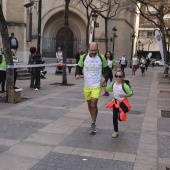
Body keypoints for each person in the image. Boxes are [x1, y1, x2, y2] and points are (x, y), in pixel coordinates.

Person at [75, 42, 110, 134]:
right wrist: (77, 73)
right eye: (92, 50)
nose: (94, 52)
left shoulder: (101, 58)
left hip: (96, 85)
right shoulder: (84, 57)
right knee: (90, 105)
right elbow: (79, 66)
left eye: (95, 50)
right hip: (87, 85)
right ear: (88, 49)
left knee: (94, 104)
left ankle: (93, 123)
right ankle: (93, 119)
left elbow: (107, 69)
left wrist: (104, 77)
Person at [106, 70, 133, 138]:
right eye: (116, 76)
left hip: (123, 103)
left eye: (119, 76)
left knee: (120, 117)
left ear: (123, 77)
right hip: (116, 102)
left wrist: (124, 95)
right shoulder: (113, 83)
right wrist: (102, 85)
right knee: (114, 117)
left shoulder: (124, 85)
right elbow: (108, 89)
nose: (117, 78)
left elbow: (131, 93)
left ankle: (120, 117)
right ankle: (115, 131)